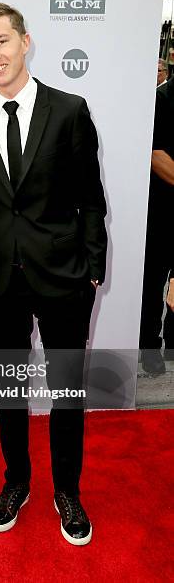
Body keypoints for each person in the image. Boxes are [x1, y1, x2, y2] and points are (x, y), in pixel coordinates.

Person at [0, 3, 107, 545]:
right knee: (9, 389)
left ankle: (67, 490)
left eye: (1, 42)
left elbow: (91, 197)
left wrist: (93, 266)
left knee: (67, 389)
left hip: (65, 275)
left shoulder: (69, 109)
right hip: (1, 280)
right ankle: (16, 481)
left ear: (25, 42)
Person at [140, 74, 174, 372]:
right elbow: (154, 152)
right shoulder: (161, 98)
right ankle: (149, 347)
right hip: (163, 212)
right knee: (153, 283)